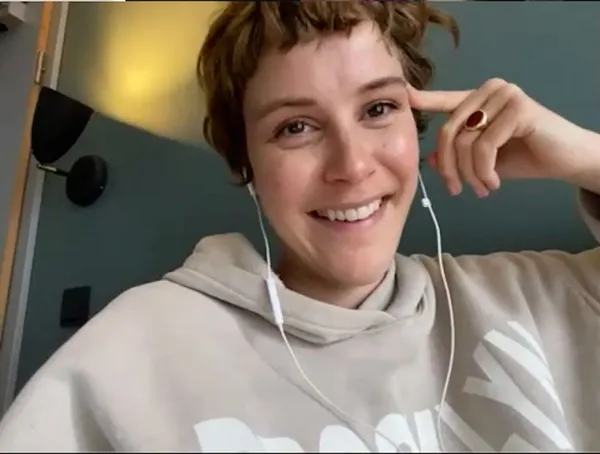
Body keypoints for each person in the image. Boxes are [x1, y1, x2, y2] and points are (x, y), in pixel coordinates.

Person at [0, 1, 598, 451]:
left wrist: (585, 157)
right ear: (248, 165)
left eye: (378, 109)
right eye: (295, 127)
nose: (352, 166)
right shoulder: (137, 353)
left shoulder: (530, 295)